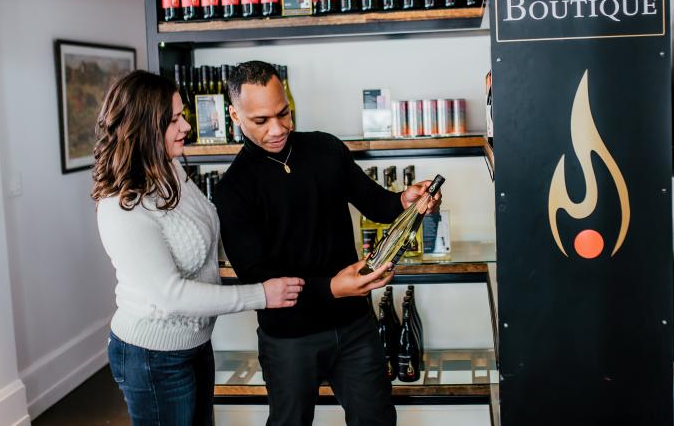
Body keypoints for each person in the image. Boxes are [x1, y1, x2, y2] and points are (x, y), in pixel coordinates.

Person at [214, 61, 442, 426]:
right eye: (261, 120)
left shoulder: (325, 148)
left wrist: (405, 200)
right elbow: (259, 277)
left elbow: (375, 202)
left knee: (377, 420)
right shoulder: (233, 190)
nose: (278, 128)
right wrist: (333, 287)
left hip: (354, 325)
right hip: (288, 338)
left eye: (283, 113)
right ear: (235, 115)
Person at [92, 70, 304, 426]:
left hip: (194, 343)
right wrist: (261, 295)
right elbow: (172, 295)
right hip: (152, 356)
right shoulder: (122, 206)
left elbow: (205, 231)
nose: (186, 126)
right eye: (174, 120)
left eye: (182, 114)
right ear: (143, 126)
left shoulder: (169, 169)